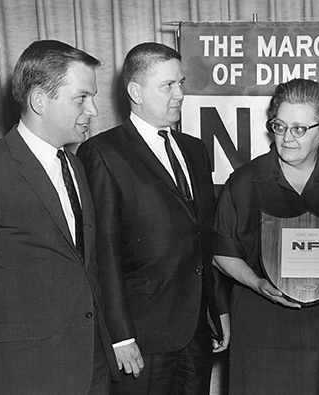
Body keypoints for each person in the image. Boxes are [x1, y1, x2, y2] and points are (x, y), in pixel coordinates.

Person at [0, 40, 119, 395]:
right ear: (39, 100)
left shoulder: (75, 166)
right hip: (23, 375)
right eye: (82, 98)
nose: (94, 110)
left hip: (91, 368)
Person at [212, 78, 319, 395]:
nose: (286, 138)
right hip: (264, 320)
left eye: (298, 129)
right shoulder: (245, 181)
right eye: (279, 126)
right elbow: (221, 250)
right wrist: (257, 284)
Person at [76, 42, 229, 395]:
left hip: (197, 331)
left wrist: (217, 309)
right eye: (168, 86)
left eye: (181, 83)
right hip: (142, 337)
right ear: (135, 92)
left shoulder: (195, 149)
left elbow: (203, 240)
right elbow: (104, 253)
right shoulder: (102, 153)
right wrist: (120, 335)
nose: (180, 94)